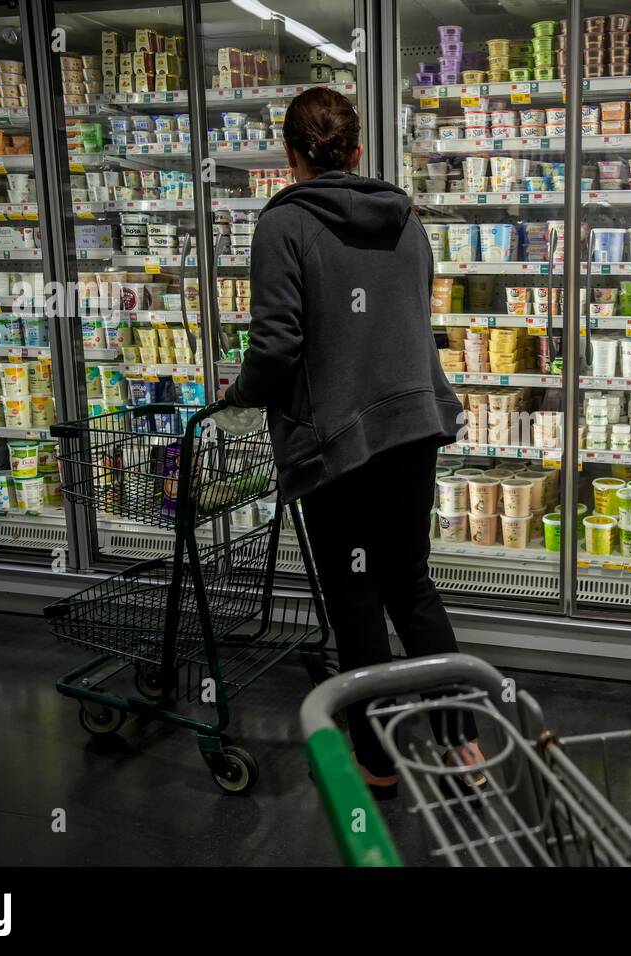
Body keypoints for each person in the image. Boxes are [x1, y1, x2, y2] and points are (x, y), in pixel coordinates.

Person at [225, 87, 483, 797]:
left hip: (338, 440)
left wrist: (239, 394)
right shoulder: (405, 217)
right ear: (358, 150)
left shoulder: (284, 225)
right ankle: (461, 747)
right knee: (411, 584)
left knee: (356, 597)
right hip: (413, 426)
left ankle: (377, 759)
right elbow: (408, 315)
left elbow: (277, 346)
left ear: (289, 154)